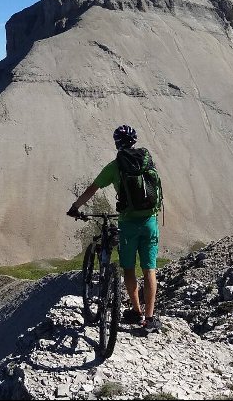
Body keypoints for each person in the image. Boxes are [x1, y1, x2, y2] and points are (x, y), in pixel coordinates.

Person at [67, 124, 164, 332]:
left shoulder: (114, 167)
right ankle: (150, 318)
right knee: (149, 269)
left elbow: (92, 188)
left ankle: (136, 311)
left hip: (128, 223)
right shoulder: (147, 161)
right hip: (150, 222)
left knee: (128, 268)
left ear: (117, 144)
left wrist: (75, 207)